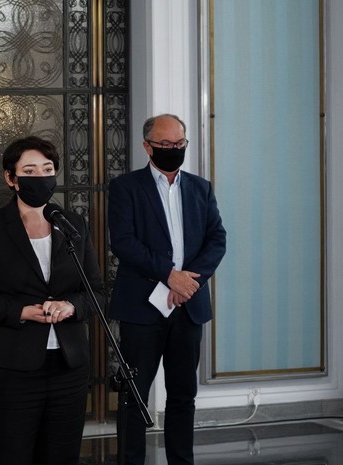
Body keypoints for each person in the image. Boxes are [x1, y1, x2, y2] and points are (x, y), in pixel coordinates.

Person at [0, 136, 105, 465]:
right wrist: (21, 311)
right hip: (8, 370)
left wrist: (71, 306)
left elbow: (96, 291)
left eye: (48, 170)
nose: (41, 177)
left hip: (68, 369)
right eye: (30, 171)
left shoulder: (73, 224)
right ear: (11, 178)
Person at [108, 114, 227, 465]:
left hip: (188, 307)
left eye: (179, 144)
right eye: (166, 144)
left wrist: (189, 282)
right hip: (142, 308)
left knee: (183, 396)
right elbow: (123, 242)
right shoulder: (126, 187)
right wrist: (169, 275)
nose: (174, 149)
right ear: (148, 147)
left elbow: (216, 239)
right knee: (134, 396)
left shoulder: (201, 188)